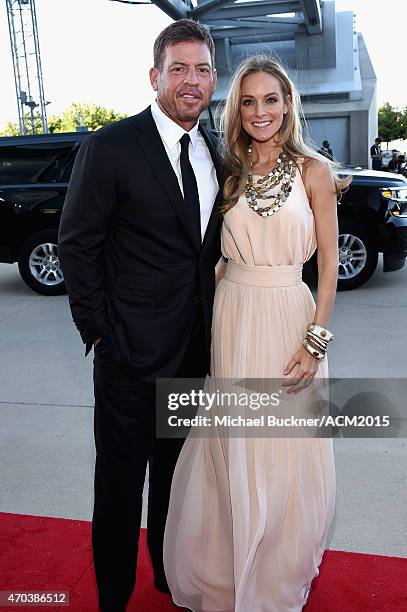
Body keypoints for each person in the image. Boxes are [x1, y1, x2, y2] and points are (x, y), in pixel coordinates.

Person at [164, 55, 350, 611]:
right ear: (237, 110)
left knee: (284, 448)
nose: (261, 111)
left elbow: (329, 264)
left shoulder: (315, 171)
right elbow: (213, 258)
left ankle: (273, 570)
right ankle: (229, 560)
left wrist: (316, 339)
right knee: (234, 444)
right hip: (234, 315)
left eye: (271, 99)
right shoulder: (229, 173)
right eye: (249, 101)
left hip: (289, 316)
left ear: (288, 103)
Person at [58, 19, 222, 612]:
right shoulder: (112, 146)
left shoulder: (216, 150)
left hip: (194, 352)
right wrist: (100, 330)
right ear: (155, 76)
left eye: (203, 69)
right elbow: (76, 242)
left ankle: (166, 574)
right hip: (128, 354)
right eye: (179, 68)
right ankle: (112, 594)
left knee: (176, 481)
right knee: (121, 485)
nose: (191, 80)